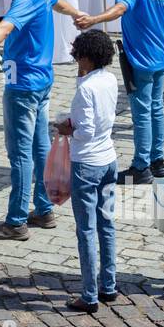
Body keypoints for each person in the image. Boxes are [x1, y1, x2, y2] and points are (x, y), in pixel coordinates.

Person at [0, 0, 83, 240]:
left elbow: (5, 28)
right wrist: (76, 14)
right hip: (40, 82)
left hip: (22, 86)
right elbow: (57, 2)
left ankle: (16, 220)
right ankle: (44, 208)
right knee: (39, 148)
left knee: (20, 155)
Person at [78, 0, 164, 183]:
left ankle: (141, 165)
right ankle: (158, 160)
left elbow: (120, 8)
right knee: (156, 108)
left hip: (140, 57)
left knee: (142, 113)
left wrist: (94, 20)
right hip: (162, 53)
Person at [54, 30, 120, 312]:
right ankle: (109, 284)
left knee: (86, 230)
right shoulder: (109, 79)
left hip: (87, 164)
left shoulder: (86, 89)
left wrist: (67, 129)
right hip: (108, 159)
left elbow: (86, 131)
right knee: (107, 225)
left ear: (85, 57)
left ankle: (89, 294)